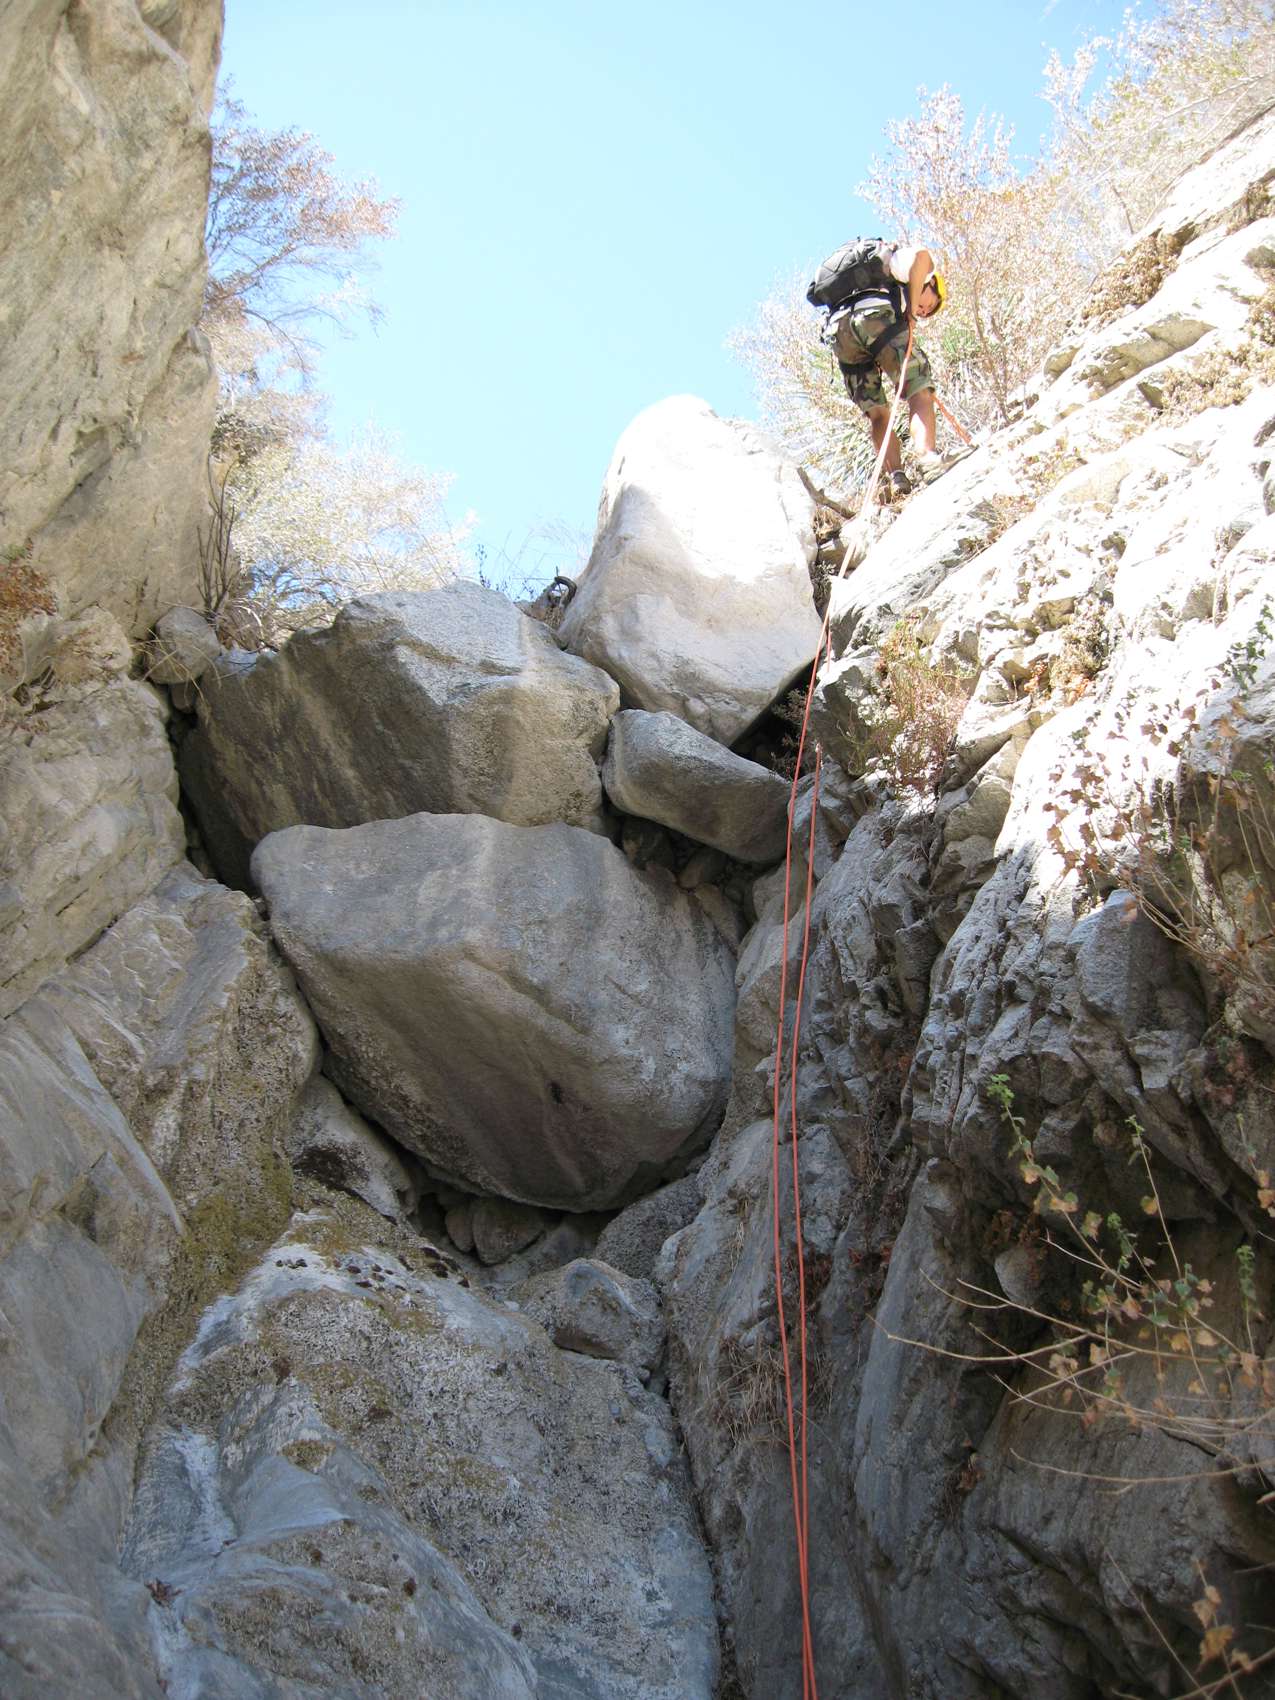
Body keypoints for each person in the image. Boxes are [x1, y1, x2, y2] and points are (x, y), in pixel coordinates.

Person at [821, 241, 972, 498]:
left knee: (877, 413)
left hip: (839, 332)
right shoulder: (917, 267)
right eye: (930, 304)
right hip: (874, 315)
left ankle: (896, 477)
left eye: (926, 312)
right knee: (919, 388)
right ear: (931, 284)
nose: (924, 311)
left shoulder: (867, 274)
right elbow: (921, 257)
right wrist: (910, 310)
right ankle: (927, 458)